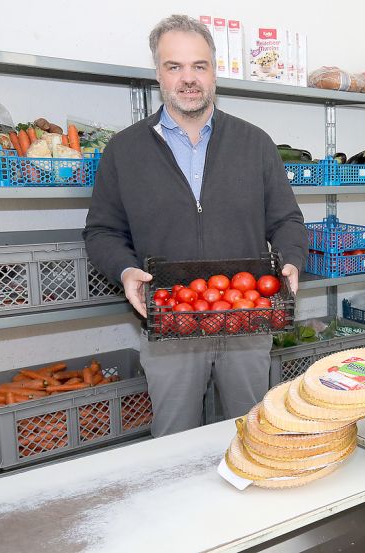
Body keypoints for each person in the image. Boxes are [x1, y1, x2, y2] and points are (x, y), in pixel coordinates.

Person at [83, 15, 307, 437]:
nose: (189, 78)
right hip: (169, 318)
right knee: (173, 439)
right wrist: (126, 271)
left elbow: (287, 220)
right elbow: (101, 231)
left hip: (246, 317)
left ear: (214, 71)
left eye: (199, 66)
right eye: (175, 67)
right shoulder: (125, 150)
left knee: (252, 433)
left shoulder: (255, 143)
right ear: (158, 73)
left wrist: (292, 259)